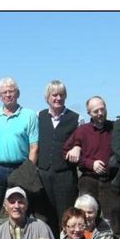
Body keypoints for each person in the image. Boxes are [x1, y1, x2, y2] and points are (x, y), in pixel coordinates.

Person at [0, 77, 39, 239]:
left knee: (23, 213)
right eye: (4, 92)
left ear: (17, 93)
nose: (8, 95)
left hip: (20, 168)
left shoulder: (29, 115)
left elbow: (34, 147)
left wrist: (28, 172)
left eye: (11, 91)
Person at [64, 96, 120, 234]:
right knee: (85, 218)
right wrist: (90, 163)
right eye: (96, 111)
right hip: (88, 180)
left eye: (102, 109)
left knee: (115, 220)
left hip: (110, 180)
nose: (100, 113)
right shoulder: (82, 131)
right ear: (89, 113)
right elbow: (66, 152)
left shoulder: (115, 127)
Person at [36, 80, 79, 228]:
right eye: (54, 95)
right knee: (45, 217)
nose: (58, 98)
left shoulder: (76, 118)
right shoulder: (38, 117)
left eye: (61, 95)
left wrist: (77, 147)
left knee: (65, 217)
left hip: (65, 175)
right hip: (43, 175)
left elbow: (82, 141)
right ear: (47, 97)